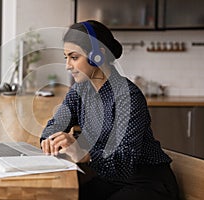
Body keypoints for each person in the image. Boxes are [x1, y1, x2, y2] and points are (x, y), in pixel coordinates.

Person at [40, 20, 179, 200]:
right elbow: (54, 126)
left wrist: (83, 152)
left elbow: (124, 161)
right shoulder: (79, 91)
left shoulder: (127, 95)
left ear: (97, 55)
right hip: (109, 180)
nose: (67, 65)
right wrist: (51, 140)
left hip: (146, 182)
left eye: (74, 57)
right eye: (66, 58)